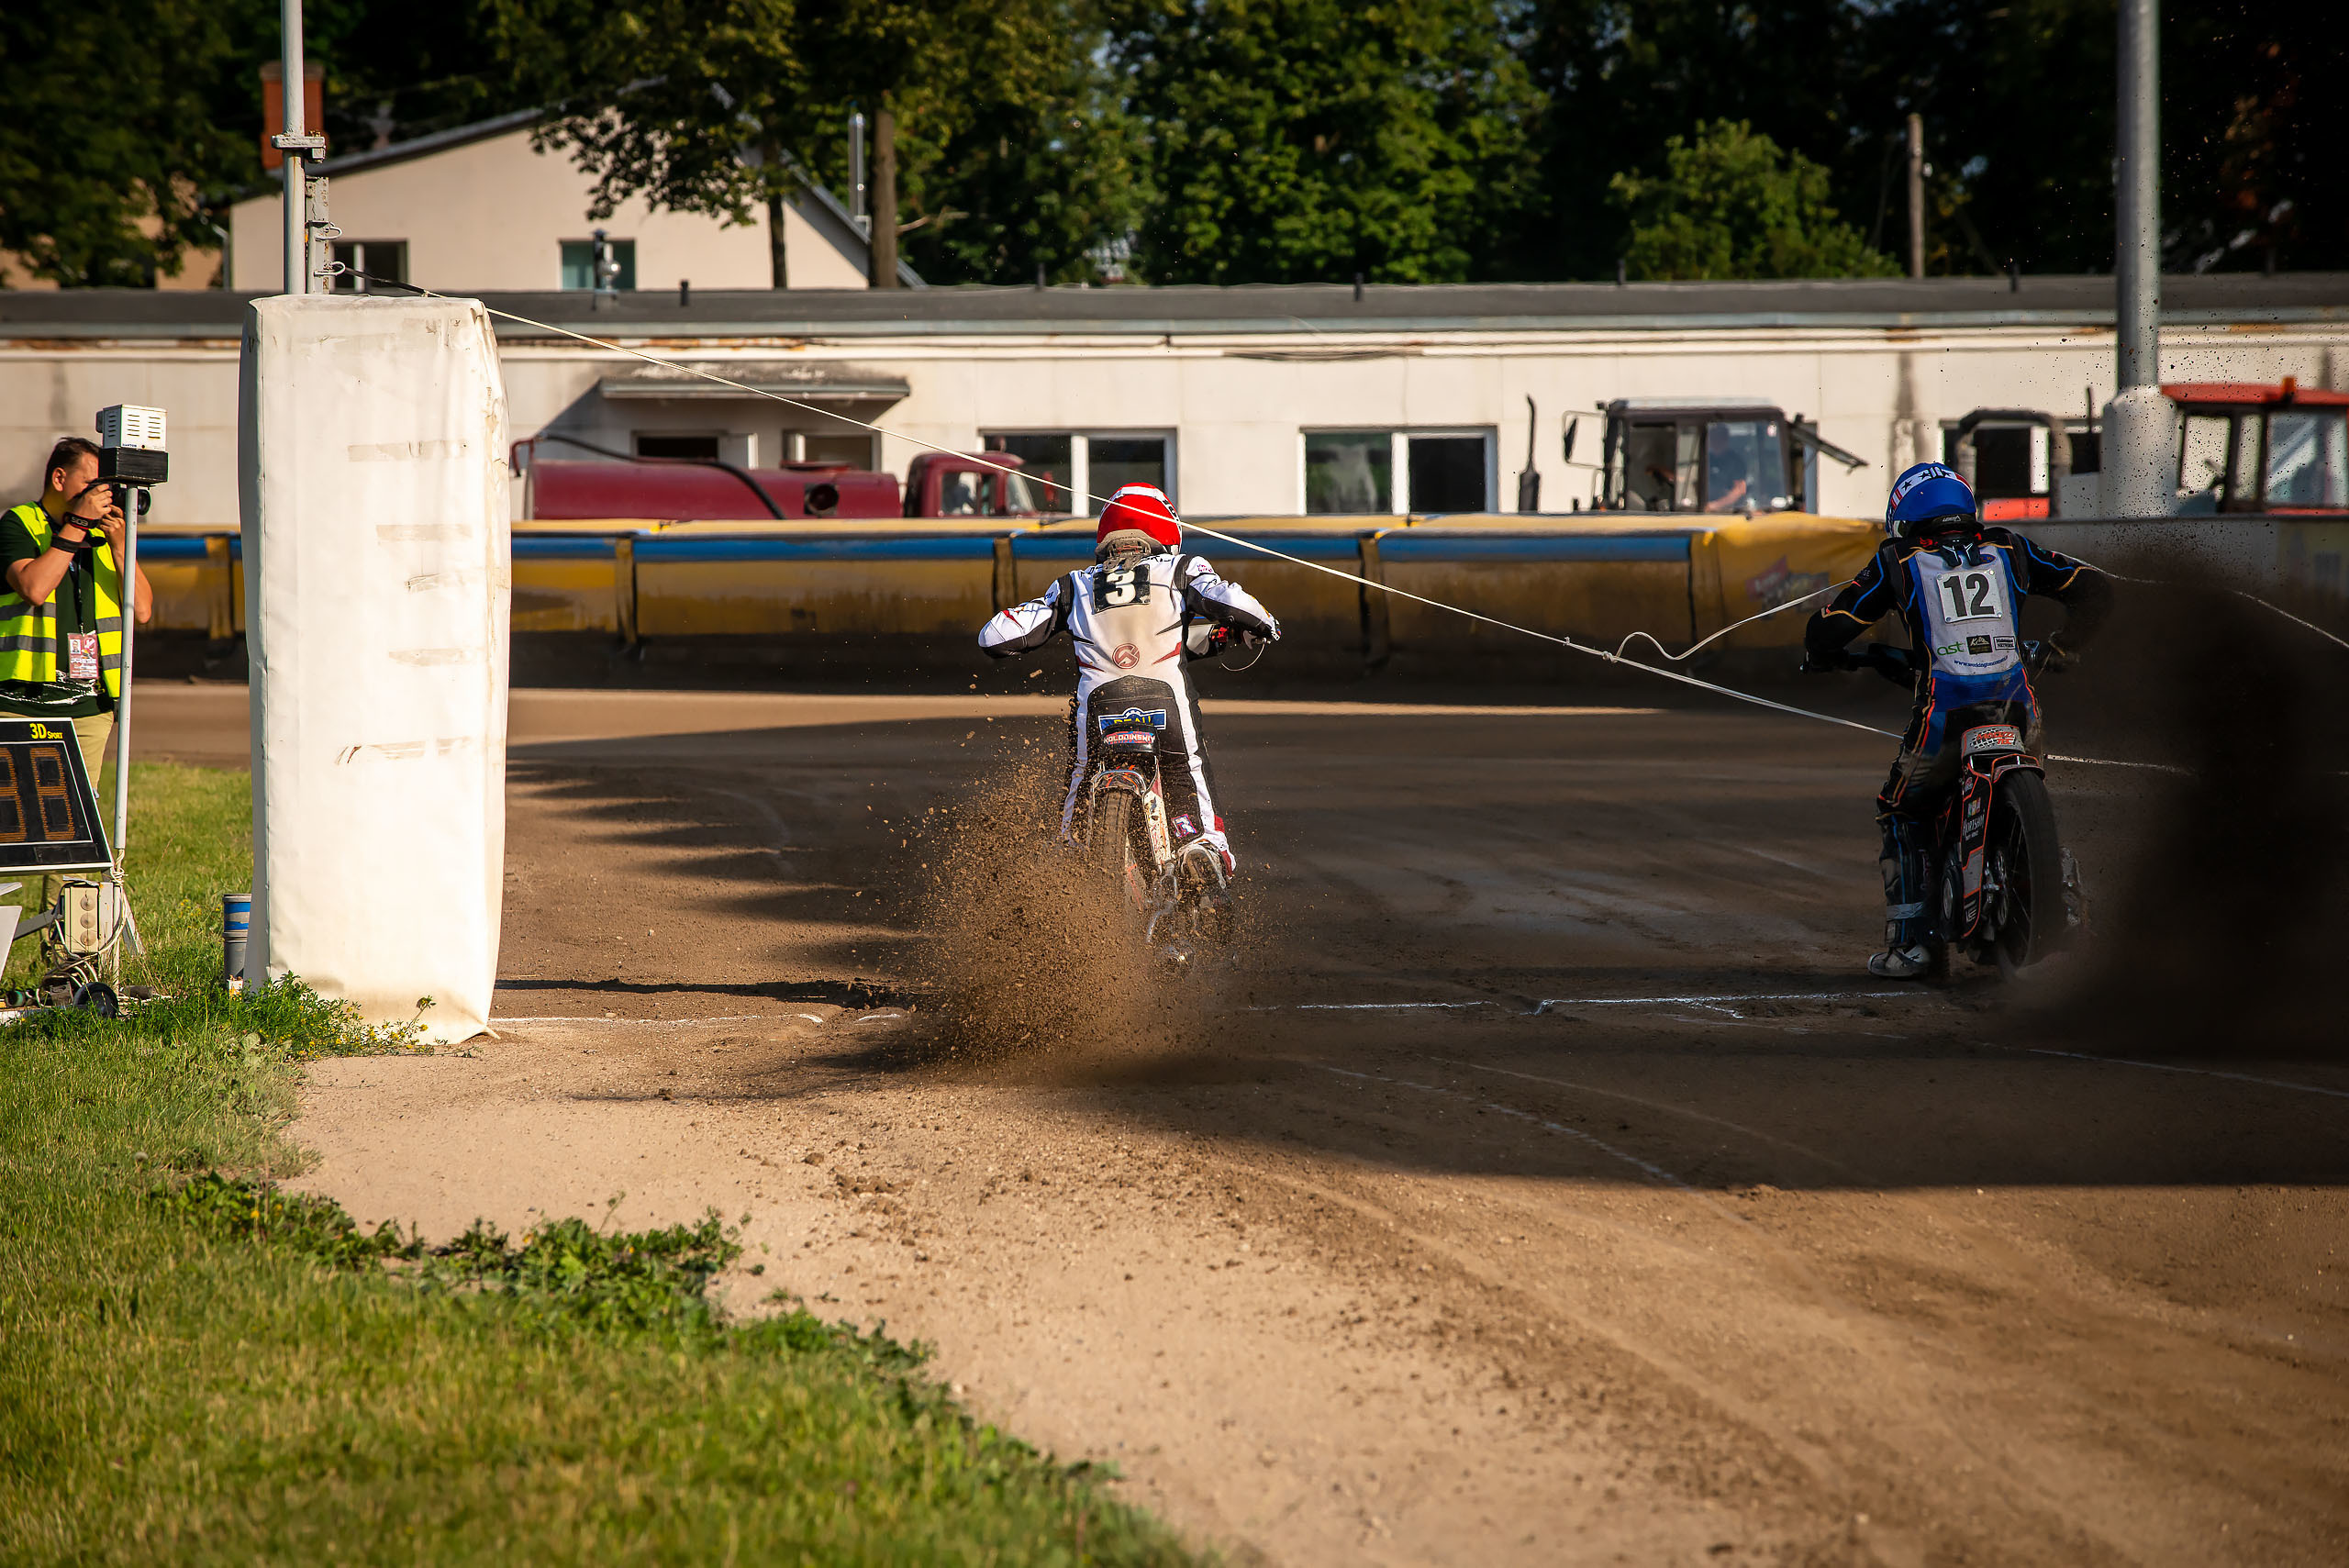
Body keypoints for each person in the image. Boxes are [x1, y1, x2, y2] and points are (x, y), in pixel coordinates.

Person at [1802, 462, 2111, 979]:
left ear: (1905, 516)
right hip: (2018, 709)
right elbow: (2095, 590)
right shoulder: (2012, 548)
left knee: (1901, 809)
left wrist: (1819, 642)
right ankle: (2065, 903)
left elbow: (1829, 633)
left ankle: (1912, 946)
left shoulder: (1897, 561)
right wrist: (2064, 648)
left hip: (1945, 717)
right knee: (2038, 794)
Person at [977, 483, 1280, 898]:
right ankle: (1203, 846)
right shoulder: (1180, 570)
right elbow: (1227, 603)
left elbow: (994, 637)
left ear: (1106, 536)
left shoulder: (1073, 585)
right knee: (1187, 768)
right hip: (1165, 704)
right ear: (1166, 532)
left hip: (1099, 710)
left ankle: (1068, 855)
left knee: (1081, 776)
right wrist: (1263, 623)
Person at [4, 436, 157, 787]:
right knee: (17, 818)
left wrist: (120, 546)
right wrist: (76, 525)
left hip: (89, 708)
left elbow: (144, 610)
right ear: (59, 479)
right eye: (91, 484)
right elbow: (34, 589)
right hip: (21, 703)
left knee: (77, 820)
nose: (99, 496)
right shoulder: (20, 524)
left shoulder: (104, 536)